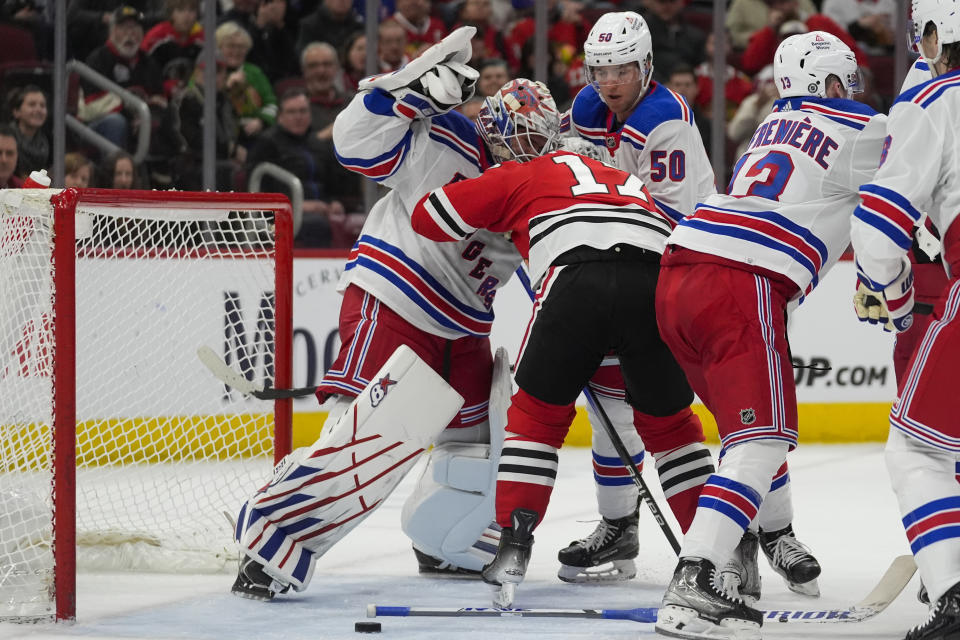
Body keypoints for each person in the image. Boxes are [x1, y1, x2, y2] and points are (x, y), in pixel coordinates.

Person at [229, 27, 523, 600]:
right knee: (363, 438)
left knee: (482, 450)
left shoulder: (538, 189)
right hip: (395, 303)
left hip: (463, 332)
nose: (532, 147)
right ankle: (271, 540)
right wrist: (405, 94)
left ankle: (446, 540)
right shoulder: (448, 136)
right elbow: (353, 143)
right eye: (522, 137)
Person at [410, 78, 701, 608]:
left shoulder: (516, 174)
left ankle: (513, 549)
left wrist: (499, 212)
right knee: (672, 429)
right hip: (653, 282)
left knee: (536, 420)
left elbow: (426, 216)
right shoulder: (618, 172)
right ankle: (715, 557)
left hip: (576, 280)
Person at [651, 32, 886, 639]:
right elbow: (919, 180)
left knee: (745, 429)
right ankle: (698, 574)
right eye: (845, 81)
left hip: (680, 272)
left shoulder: (771, 124)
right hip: (742, 281)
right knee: (763, 436)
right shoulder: (862, 127)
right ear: (833, 83)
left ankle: (763, 544)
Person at [562, 10, 717, 586]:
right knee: (609, 412)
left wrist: (594, 229)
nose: (608, 82)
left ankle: (746, 536)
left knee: (676, 413)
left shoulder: (664, 119)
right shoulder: (586, 109)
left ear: (646, 65)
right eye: (599, 69)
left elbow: (672, 217)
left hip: (684, 267)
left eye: (621, 69)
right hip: (621, 271)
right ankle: (617, 527)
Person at [849, 1, 960, 637]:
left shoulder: (935, 97)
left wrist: (891, 295)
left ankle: (953, 589)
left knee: (917, 449)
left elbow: (878, 224)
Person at [246, 88, 360, 247]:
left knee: (359, 224)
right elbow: (257, 188)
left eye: (303, 111)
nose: (298, 117)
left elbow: (333, 183)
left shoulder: (318, 143)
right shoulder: (267, 144)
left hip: (323, 210)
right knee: (317, 225)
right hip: (283, 214)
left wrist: (335, 202)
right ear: (280, 116)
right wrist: (298, 205)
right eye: (292, 112)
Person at [79, 5, 166, 149]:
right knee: (116, 122)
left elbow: (160, 99)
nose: (130, 34)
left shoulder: (148, 62)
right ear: (112, 31)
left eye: (135, 28)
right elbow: (91, 106)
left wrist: (148, 115)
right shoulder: (98, 59)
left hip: (140, 122)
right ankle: (114, 169)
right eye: (124, 28)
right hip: (95, 126)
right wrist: (131, 113)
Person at [216, 21, 278, 143]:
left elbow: (271, 104)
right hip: (219, 134)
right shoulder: (206, 71)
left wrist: (261, 121)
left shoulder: (255, 73)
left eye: (241, 47)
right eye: (231, 46)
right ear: (219, 47)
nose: (236, 51)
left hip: (254, 134)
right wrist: (228, 87)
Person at [140, 0, 203, 96]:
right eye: (180, 10)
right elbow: (142, 70)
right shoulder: (157, 36)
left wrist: (191, 86)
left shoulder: (201, 39)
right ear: (171, 13)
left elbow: (204, 75)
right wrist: (166, 87)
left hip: (192, 97)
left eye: (192, 10)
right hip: (159, 97)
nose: (187, 16)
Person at [301, 42, 349, 140]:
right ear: (304, 70)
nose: (321, 71)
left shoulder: (352, 102)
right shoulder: (295, 107)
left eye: (327, 64)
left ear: (336, 68)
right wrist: (323, 136)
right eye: (313, 65)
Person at [8, 85, 49, 177]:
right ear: (16, 112)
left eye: (42, 105)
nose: (39, 110)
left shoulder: (48, 141)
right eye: (32, 104)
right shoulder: (4, 138)